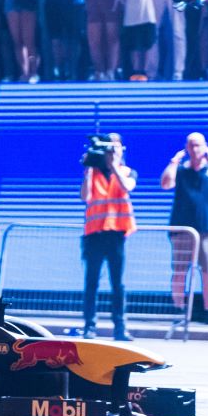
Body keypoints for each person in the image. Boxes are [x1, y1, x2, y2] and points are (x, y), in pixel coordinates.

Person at [161, 132, 208, 323]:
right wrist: (173, 162)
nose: (195, 149)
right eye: (191, 145)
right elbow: (166, 184)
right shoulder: (181, 170)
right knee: (180, 270)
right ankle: (178, 309)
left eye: (198, 145)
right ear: (187, 147)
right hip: (182, 229)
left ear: (205, 146)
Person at [81, 133, 137, 340]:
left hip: (116, 234)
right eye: (109, 148)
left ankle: (120, 328)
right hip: (94, 234)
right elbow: (85, 197)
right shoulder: (93, 173)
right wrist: (88, 169)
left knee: (118, 284)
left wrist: (114, 165)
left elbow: (127, 187)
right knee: (91, 282)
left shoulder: (127, 171)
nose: (112, 151)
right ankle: (89, 326)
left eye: (116, 147)